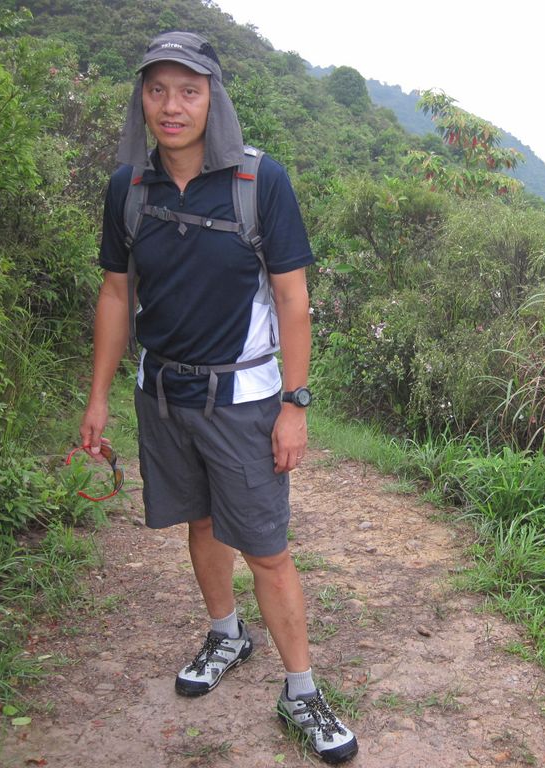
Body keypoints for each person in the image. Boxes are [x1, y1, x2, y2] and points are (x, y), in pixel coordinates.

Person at [78, 31, 358, 765]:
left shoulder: (259, 181)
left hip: (243, 398)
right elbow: (116, 294)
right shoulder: (128, 187)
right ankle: (226, 634)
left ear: (213, 99)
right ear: (141, 99)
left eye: (189, 91)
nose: (171, 106)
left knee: (266, 548)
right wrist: (98, 397)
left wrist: (295, 404)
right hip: (162, 394)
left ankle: (301, 690)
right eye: (157, 90)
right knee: (200, 522)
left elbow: (293, 299)